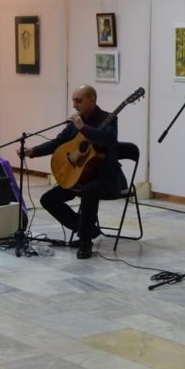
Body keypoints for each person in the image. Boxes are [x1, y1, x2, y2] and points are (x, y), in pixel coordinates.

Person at [18, 84, 126, 259]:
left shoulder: (108, 118)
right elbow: (57, 143)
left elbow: (108, 139)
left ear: (92, 100)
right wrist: (33, 151)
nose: (74, 105)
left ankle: (85, 242)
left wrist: (83, 128)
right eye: (73, 101)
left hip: (106, 177)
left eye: (78, 101)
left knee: (90, 190)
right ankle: (88, 229)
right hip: (80, 176)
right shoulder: (76, 122)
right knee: (48, 199)